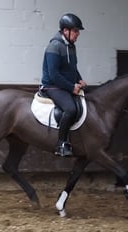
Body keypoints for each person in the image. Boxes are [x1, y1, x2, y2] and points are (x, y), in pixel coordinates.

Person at [41, 13, 87, 157]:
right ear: (65, 31)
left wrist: (79, 80)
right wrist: (72, 87)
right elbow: (54, 75)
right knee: (70, 109)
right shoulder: (54, 46)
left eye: (78, 31)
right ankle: (61, 144)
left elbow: (72, 68)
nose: (78, 34)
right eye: (75, 31)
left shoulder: (71, 46)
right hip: (52, 87)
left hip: (66, 85)